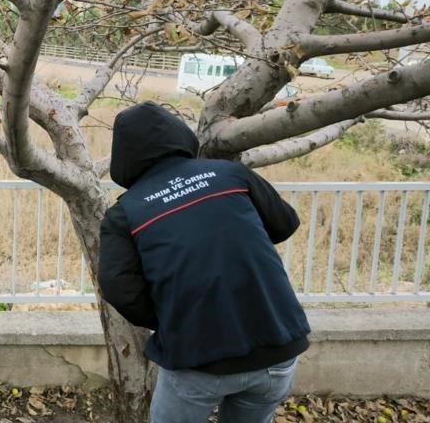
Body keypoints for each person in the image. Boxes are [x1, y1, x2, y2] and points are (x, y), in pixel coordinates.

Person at [98, 101, 310, 423]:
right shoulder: (231, 174)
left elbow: (118, 287)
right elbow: (285, 223)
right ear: (178, 136)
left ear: (123, 157)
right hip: (277, 348)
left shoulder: (126, 213)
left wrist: (172, 316)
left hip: (197, 358)